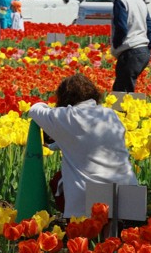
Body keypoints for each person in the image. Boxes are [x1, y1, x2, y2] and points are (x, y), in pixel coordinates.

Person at [28, 73, 139, 218]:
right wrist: (57, 144)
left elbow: (34, 110)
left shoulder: (67, 116)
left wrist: (49, 107)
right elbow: (92, 141)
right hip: (130, 197)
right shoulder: (110, 115)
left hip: (88, 205)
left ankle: (74, 223)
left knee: (57, 180)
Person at [110, 0, 151, 93]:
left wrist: (116, 46)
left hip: (130, 52)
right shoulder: (138, 0)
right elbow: (150, 27)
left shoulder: (120, 1)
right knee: (125, 89)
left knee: (122, 93)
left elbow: (121, 28)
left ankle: (126, 113)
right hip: (143, 51)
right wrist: (147, 46)